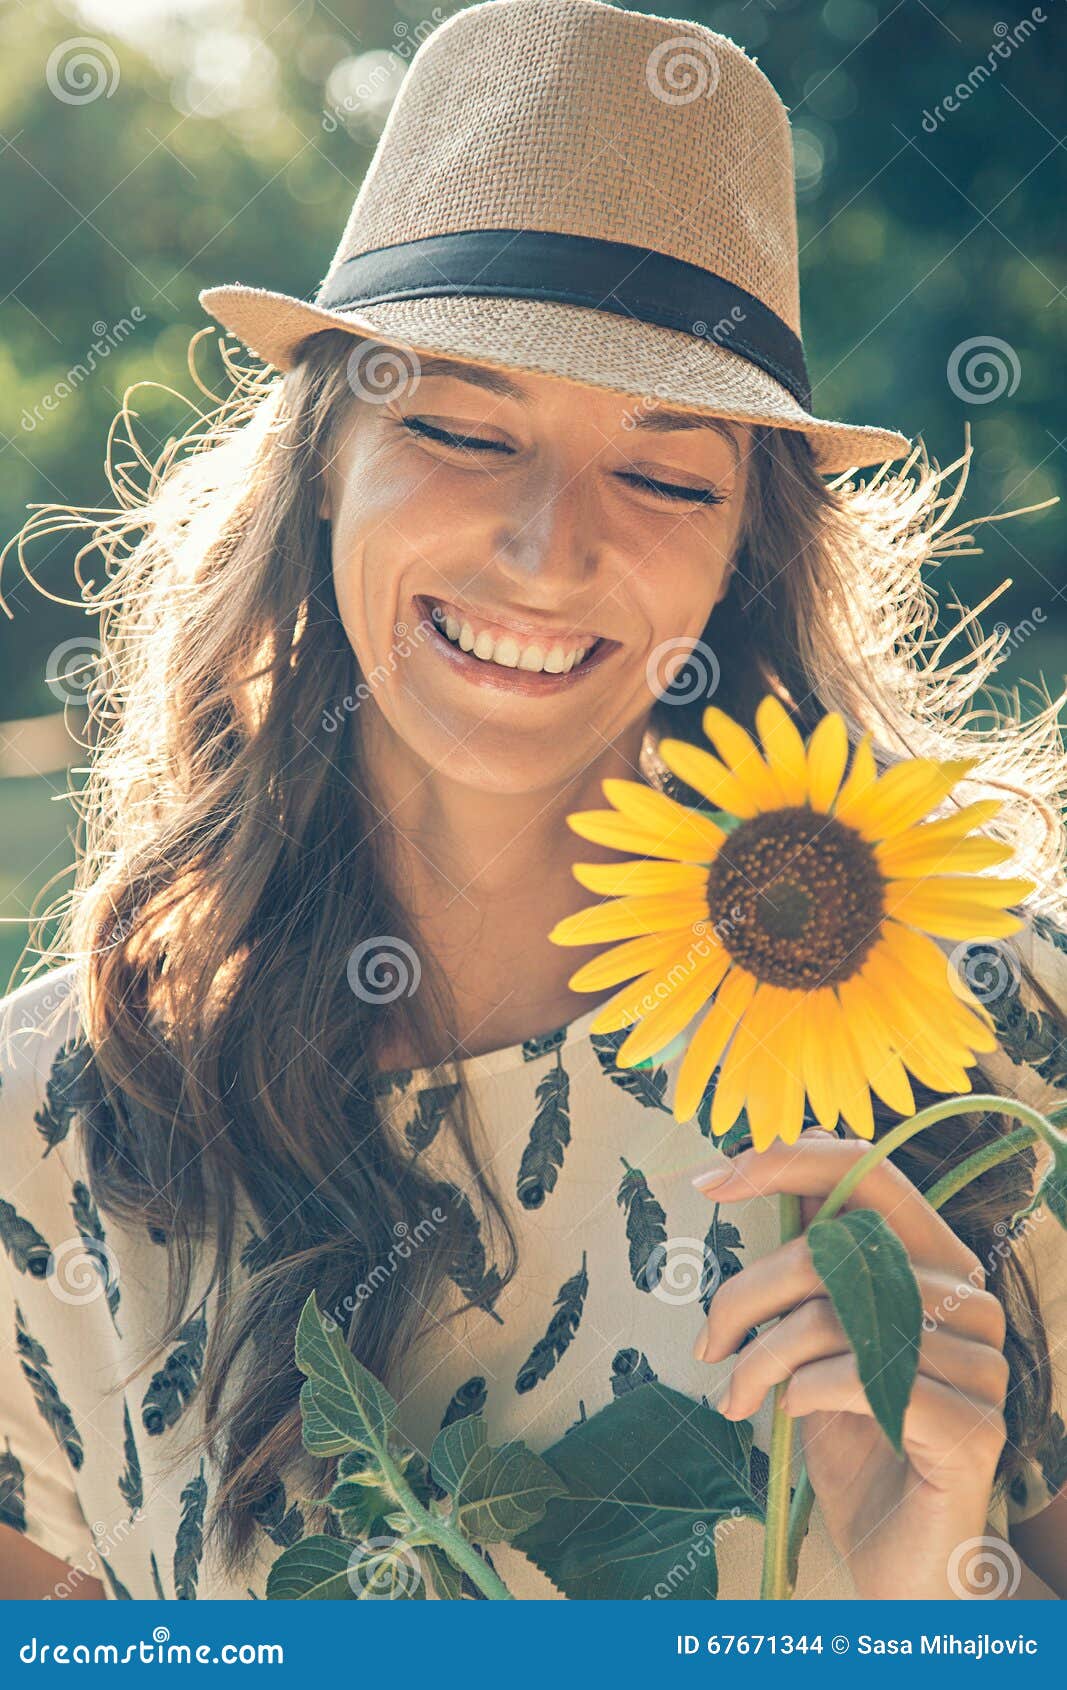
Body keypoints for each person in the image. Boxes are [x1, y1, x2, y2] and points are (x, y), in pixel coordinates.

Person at [1, 0, 1065, 1601]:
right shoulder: (55, 1128)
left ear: (742, 551)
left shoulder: (986, 1033)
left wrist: (930, 1591)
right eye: (455, 427)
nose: (548, 548)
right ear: (321, 466)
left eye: (666, 474)